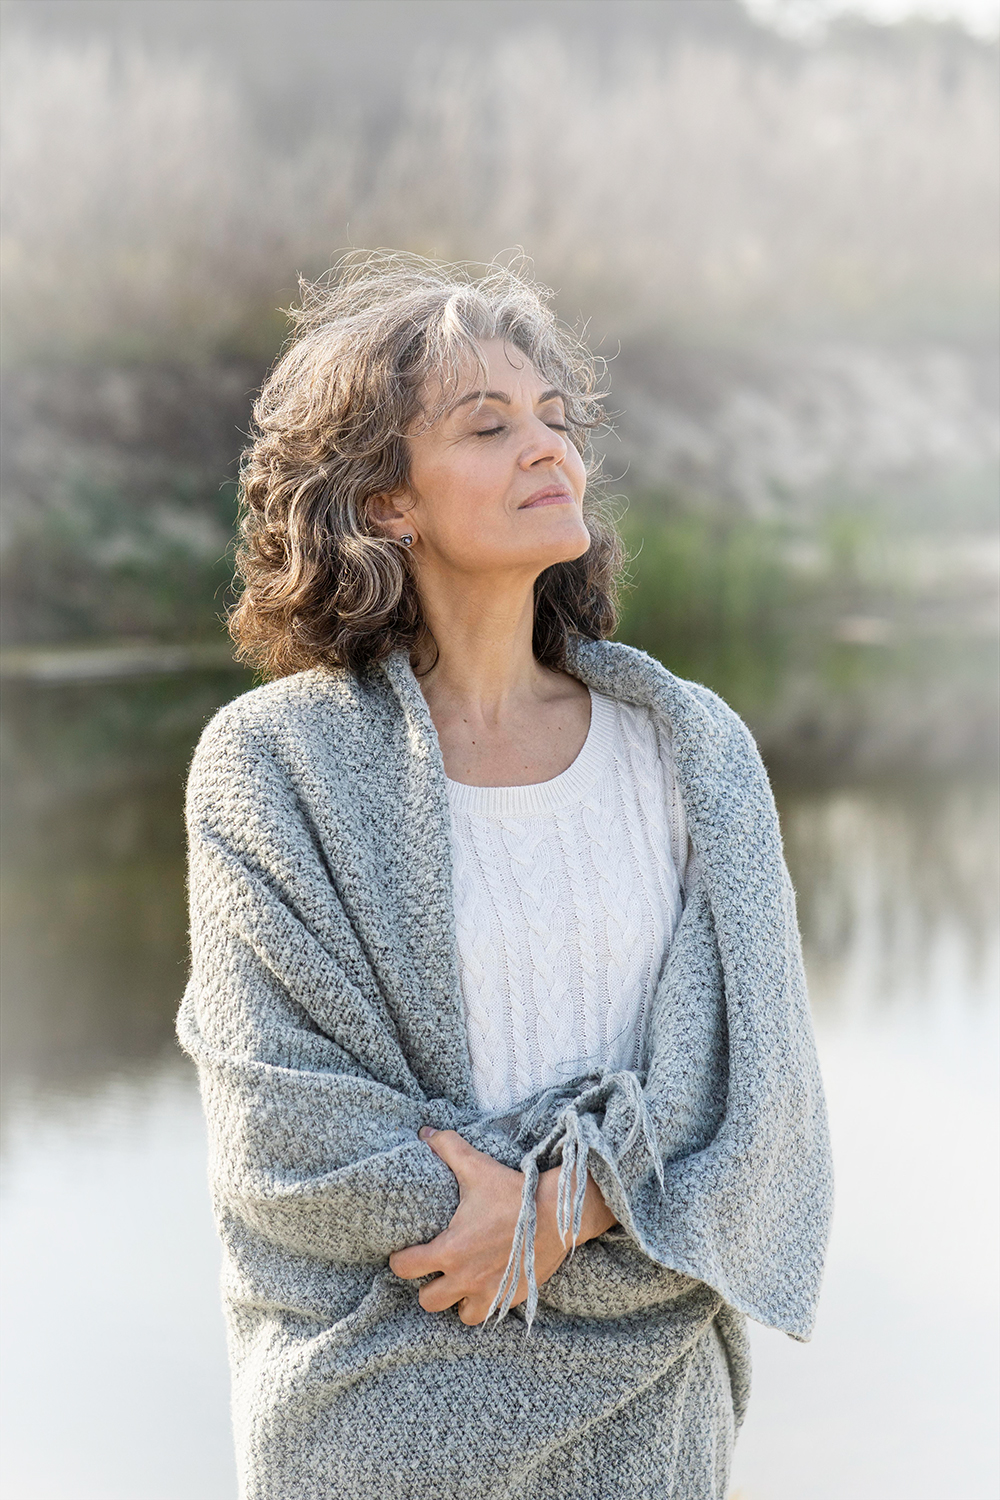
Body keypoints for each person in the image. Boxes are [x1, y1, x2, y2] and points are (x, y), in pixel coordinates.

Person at [178, 253, 832, 1500]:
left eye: (557, 420)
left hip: (648, 1415)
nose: (550, 453)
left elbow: (764, 1104)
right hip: (369, 1414)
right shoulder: (272, 767)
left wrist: (561, 1208)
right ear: (384, 504)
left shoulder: (690, 750)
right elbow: (282, 1131)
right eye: (488, 427)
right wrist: (557, 1195)